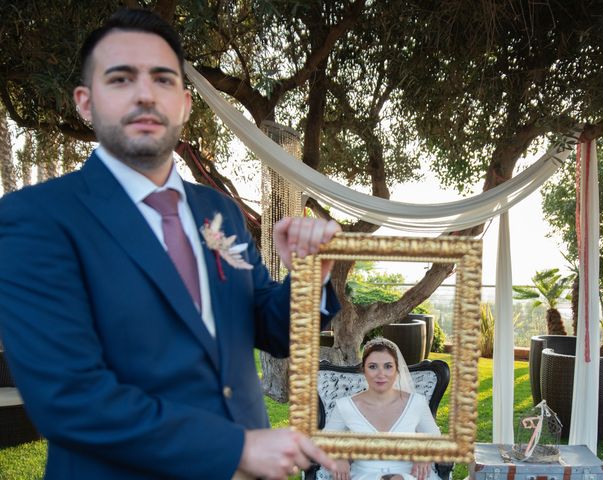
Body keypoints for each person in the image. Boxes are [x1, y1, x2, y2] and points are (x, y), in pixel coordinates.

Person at [0, 8, 341, 480]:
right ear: (85, 101)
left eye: (162, 80)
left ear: (184, 103)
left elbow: (269, 327)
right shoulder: (34, 219)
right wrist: (236, 449)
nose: (145, 94)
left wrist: (310, 276)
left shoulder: (218, 211)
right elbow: (70, 398)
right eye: (120, 79)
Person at [324, 338, 441, 480]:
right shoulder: (345, 406)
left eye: (388, 366)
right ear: (363, 370)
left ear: (397, 370)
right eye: (373, 366)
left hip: (409, 475)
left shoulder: (416, 403)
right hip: (364, 476)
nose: (381, 374)